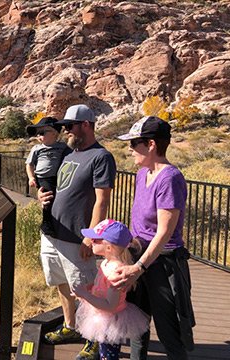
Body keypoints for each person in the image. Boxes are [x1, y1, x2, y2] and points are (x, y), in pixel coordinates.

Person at [38, 104, 117, 360]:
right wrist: (41, 195)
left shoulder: (100, 157)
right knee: (62, 282)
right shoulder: (70, 153)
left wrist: (91, 235)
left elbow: (101, 200)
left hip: (76, 237)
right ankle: (71, 326)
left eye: (69, 126)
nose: (65, 131)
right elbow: (59, 187)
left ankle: (94, 339)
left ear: (85, 125)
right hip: (52, 233)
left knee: (86, 289)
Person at [114, 116, 195, 360]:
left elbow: (164, 232)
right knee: (137, 326)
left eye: (134, 143)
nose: (130, 150)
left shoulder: (170, 178)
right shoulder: (142, 174)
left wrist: (138, 267)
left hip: (162, 263)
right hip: (139, 257)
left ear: (151, 145)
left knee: (169, 331)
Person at [72, 219, 149, 360]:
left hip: (110, 321)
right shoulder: (106, 263)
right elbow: (101, 288)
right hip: (101, 317)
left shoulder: (115, 272)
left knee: (108, 355)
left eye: (95, 239)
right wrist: (89, 289)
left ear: (108, 247)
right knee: (104, 352)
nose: (91, 241)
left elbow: (110, 305)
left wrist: (85, 295)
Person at [25, 116, 69, 236]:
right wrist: (31, 177)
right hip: (43, 177)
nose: (39, 136)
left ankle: (57, 222)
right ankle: (47, 223)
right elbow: (29, 164)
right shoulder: (37, 149)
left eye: (42, 132)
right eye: (38, 133)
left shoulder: (62, 147)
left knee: (57, 199)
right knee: (48, 199)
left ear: (55, 133)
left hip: (57, 177)